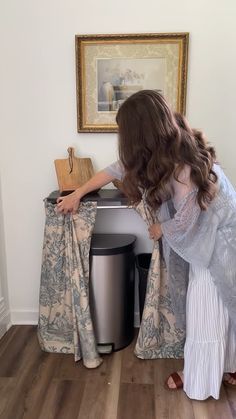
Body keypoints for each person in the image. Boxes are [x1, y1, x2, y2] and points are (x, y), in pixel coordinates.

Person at [56, 90, 236, 400]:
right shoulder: (164, 146)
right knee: (221, 305)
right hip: (212, 233)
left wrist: (158, 228)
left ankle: (199, 379)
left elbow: (186, 220)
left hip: (220, 239)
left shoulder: (182, 166)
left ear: (140, 133)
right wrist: (77, 193)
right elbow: (114, 169)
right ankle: (229, 365)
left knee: (207, 306)